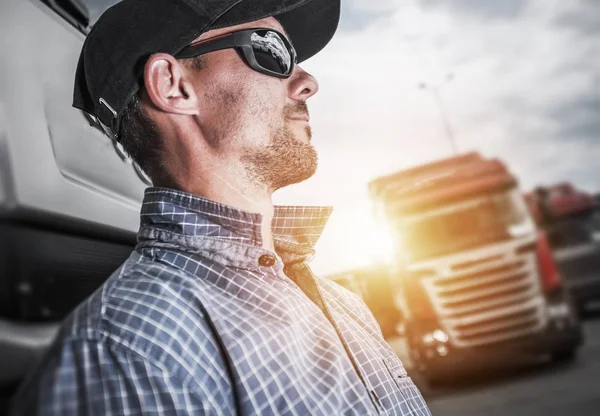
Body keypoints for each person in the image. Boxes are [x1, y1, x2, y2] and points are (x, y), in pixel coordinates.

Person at [11, 0, 431, 414]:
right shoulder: (129, 354)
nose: (307, 82)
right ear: (174, 86)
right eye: (272, 51)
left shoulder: (341, 304)